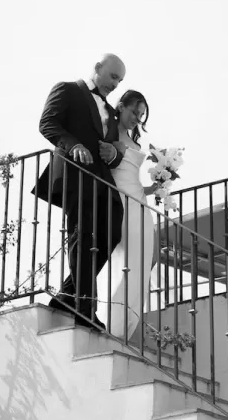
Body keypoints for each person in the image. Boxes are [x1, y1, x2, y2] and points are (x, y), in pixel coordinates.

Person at [37, 54, 126, 330]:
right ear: (98, 68)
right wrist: (72, 145)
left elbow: (111, 149)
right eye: (113, 77)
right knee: (83, 236)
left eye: (120, 80)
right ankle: (85, 308)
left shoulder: (111, 112)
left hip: (102, 181)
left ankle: (66, 295)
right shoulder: (67, 89)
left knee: (111, 232)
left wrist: (113, 153)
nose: (116, 84)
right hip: (76, 177)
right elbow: (47, 123)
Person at [105, 90, 155, 340]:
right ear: (121, 106)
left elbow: (133, 177)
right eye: (135, 111)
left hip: (139, 200)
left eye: (141, 114)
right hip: (120, 199)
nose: (138, 118)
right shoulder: (108, 130)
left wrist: (154, 187)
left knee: (144, 258)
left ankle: (127, 322)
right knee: (125, 260)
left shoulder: (132, 137)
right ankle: (113, 320)